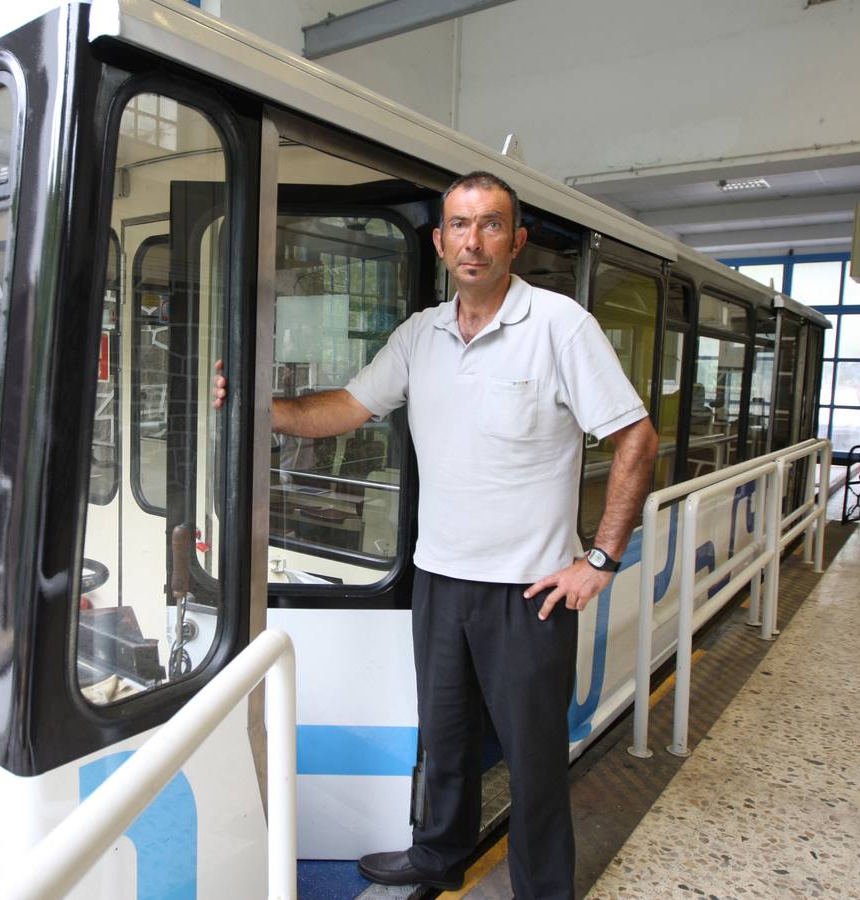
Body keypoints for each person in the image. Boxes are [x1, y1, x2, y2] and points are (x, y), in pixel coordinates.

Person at [214, 171, 658, 900]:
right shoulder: (421, 334)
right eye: (458, 225)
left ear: (515, 240)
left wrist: (600, 559)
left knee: (535, 759)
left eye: (489, 225)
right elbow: (349, 408)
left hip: (532, 589)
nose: (472, 240)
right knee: (443, 738)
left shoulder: (559, 326)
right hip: (441, 579)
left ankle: (545, 890)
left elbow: (636, 437)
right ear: (439, 240)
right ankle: (438, 853)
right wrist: (263, 409)